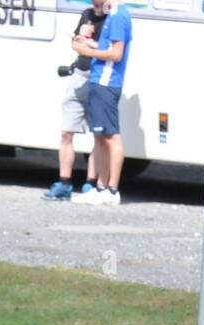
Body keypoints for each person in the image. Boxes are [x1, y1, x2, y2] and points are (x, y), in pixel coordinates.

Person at [43, 0, 107, 201]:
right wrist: (80, 39)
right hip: (80, 74)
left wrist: (89, 42)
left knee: (98, 135)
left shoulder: (111, 19)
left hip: (99, 76)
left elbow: (113, 51)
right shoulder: (87, 14)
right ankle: (64, 182)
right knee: (66, 133)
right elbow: (75, 44)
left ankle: (90, 184)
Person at [70, 0, 132, 206]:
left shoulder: (118, 16)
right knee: (100, 137)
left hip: (107, 82)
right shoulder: (113, 13)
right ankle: (101, 187)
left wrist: (88, 52)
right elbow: (108, 47)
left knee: (112, 137)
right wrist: (90, 43)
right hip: (100, 80)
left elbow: (116, 53)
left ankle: (112, 190)